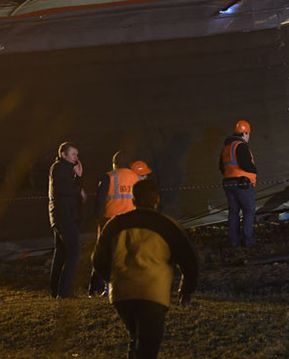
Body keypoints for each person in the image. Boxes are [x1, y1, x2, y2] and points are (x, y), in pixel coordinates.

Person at [92, 179, 198, 359]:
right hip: (152, 292)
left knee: (135, 338)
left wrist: (112, 278)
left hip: (121, 293)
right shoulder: (167, 225)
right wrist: (186, 289)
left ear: (133, 200)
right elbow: (189, 259)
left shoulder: (116, 224)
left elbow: (98, 258)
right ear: (157, 199)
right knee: (149, 344)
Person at [88, 155, 153, 296]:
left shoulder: (108, 177)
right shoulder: (137, 178)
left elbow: (100, 200)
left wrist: (98, 218)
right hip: (131, 219)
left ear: (114, 164)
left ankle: (96, 289)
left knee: (103, 254)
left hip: (110, 219)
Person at [48, 141, 85, 298]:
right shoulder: (60, 167)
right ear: (63, 154)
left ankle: (56, 290)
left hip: (62, 215)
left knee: (61, 252)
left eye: (77, 155)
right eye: (73, 154)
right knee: (74, 250)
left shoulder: (65, 168)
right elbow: (62, 189)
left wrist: (78, 177)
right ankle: (64, 291)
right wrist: (78, 187)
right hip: (64, 216)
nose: (76, 158)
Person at [219, 120, 257, 247]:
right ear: (245, 133)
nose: (249, 137)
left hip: (228, 183)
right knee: (249, 210)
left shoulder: (226, 147)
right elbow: (246, 164)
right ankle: (248, 240)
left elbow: (221, 166)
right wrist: (254, 170)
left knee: (234, 212)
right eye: (248, 134)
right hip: (242, 183)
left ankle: (233, 241)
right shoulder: (241, 146)